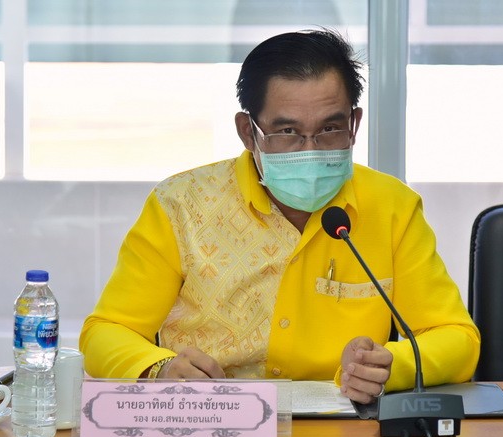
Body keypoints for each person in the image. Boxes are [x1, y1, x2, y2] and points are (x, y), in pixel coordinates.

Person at [79, 29, 480, 405]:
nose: (310, 149)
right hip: (213, 417)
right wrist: (160, 370)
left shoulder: (392, 206)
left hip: (341, 422)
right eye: (287, 131)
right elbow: (105, 332)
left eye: (330, 128)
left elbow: (457, 338)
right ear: (247, 131)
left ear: (354, 124)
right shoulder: (180, 205)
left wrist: (393, 366)